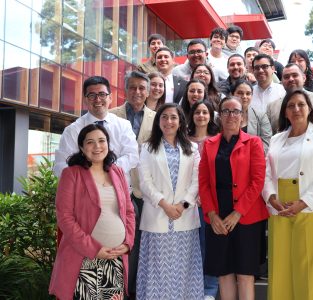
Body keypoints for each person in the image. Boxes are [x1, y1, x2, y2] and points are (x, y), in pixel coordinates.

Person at [263, 89, 313, 300]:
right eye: (291, 105)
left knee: (310, 270)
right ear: (285, 112)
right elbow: (267, 174)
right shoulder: (277, 139)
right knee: (280, 267)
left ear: (309, 109)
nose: (296, 109)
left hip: (311, 205)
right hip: (279, 207)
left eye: (301, 105)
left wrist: (303, 202)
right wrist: (271, 198)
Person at [49, 124, 135, 300]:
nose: (97, 147)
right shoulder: (71, 174)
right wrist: (94, 249)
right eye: (90, 142)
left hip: (114, 259)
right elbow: (65, 218)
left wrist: (127, 243)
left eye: (102, 141)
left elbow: (128, 211)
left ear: (108, 144)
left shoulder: (117, 172)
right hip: (84, 258)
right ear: (81, 147)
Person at [199, 96, 269, 300]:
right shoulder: (209, 145)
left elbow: (258, 181)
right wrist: (211, 215)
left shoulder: (254, 142)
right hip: (218, 217)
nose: (231, 115)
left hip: (246, 218)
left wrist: (237, 214)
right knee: (224, 273)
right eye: (226, 111)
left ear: (242, 116)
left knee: (245, 274)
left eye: (236, 111)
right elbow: (203, 182)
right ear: (220, 116)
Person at [136, 103, 203, 299]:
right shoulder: (148, 147)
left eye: (173, 117)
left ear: (181, 121)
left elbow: (197, 179)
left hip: (185, 218)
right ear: (158, 121)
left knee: (184, 271)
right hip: (157, 215)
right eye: (164, 117)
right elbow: (145, 182)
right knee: (157, 272)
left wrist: (182, 205)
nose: (168, 121)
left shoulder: (192, 147)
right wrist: (165, 205)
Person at [109, 70, 156, 298]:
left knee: (140, 247)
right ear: (125, 89)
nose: (137, 92)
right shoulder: (110, 116)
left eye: (141, 88)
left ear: (148, 91)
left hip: (146, 194)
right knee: (118, 242)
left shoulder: (157, 119)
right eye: (133, 87)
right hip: (117, 190)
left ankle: (137, 291)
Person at [53, 76, 139, 181]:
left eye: (102, 94)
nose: (97, 100)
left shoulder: (123, 125)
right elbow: (60, 165)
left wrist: (106, 170)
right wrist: (88, 175)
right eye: (92, 95)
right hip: (85, 190)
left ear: (110, 98)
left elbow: (132, 156)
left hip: (118, 189)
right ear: (85, 99)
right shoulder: (72, 130)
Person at [187, 100, 220, 300]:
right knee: (192, 247)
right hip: (188, 202)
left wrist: (204, 195)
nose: (201, 116)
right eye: (197, 112)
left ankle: (209, 289)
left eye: (205, 112)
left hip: (210, 201)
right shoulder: (183, 139)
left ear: (211, 116)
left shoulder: (216, 140)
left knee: (209, 245)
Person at [267, 63, 313, 146]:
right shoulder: (272, 107)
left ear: (304, 78)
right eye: (286, 77)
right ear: (281, 82)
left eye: (295, 75)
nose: (291, 79)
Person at [231, 79, 272, 154]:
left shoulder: (261, 116)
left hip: (253, 159)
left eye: (248, 93)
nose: (244, 96)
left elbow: (266, 142)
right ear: (232, 94)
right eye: (240, 93)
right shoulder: (224, 115)